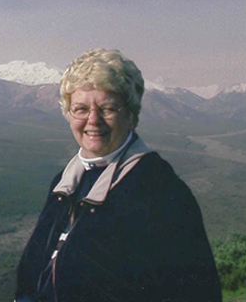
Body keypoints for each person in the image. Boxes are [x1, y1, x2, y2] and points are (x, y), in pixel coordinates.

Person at [15, 49, 221, 302]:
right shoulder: (64, 183)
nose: (93, 120)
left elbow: (198, 292)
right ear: (68, 115)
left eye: (108, 108)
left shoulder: (160, 191)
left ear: (131, 115)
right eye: (80, 109)